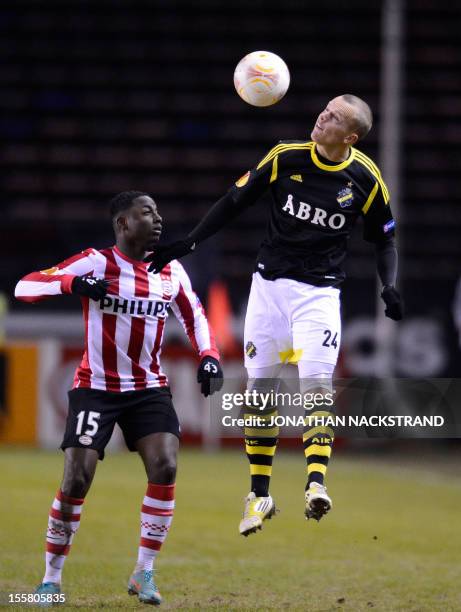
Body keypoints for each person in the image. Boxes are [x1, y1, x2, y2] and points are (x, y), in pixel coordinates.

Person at [145, 95, 404, 537]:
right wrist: (189, 243)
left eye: (335, 117)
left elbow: (384, 239)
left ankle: (316, 483)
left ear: (351, 136)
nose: (322, 116)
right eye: (324, 110)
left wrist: (388, 285)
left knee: (317, 386)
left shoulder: (366, 178)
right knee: (259, 394)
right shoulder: (285, 157)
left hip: (319, 294)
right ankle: (259, 494)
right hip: (267, 290)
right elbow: (232, 201)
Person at [14, 191, 223, 604]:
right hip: (97, 388)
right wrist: (74, 283)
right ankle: (51, 580)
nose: (158, 219)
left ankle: (143, 573)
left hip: (148, 389)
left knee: (165, 465)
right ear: (123, 224)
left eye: (159, 212)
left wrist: (210, 356)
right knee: (77, 478)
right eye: (147, 212)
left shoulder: (170, 271)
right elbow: (25, 287)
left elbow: (195, 316)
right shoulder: (96, 262)